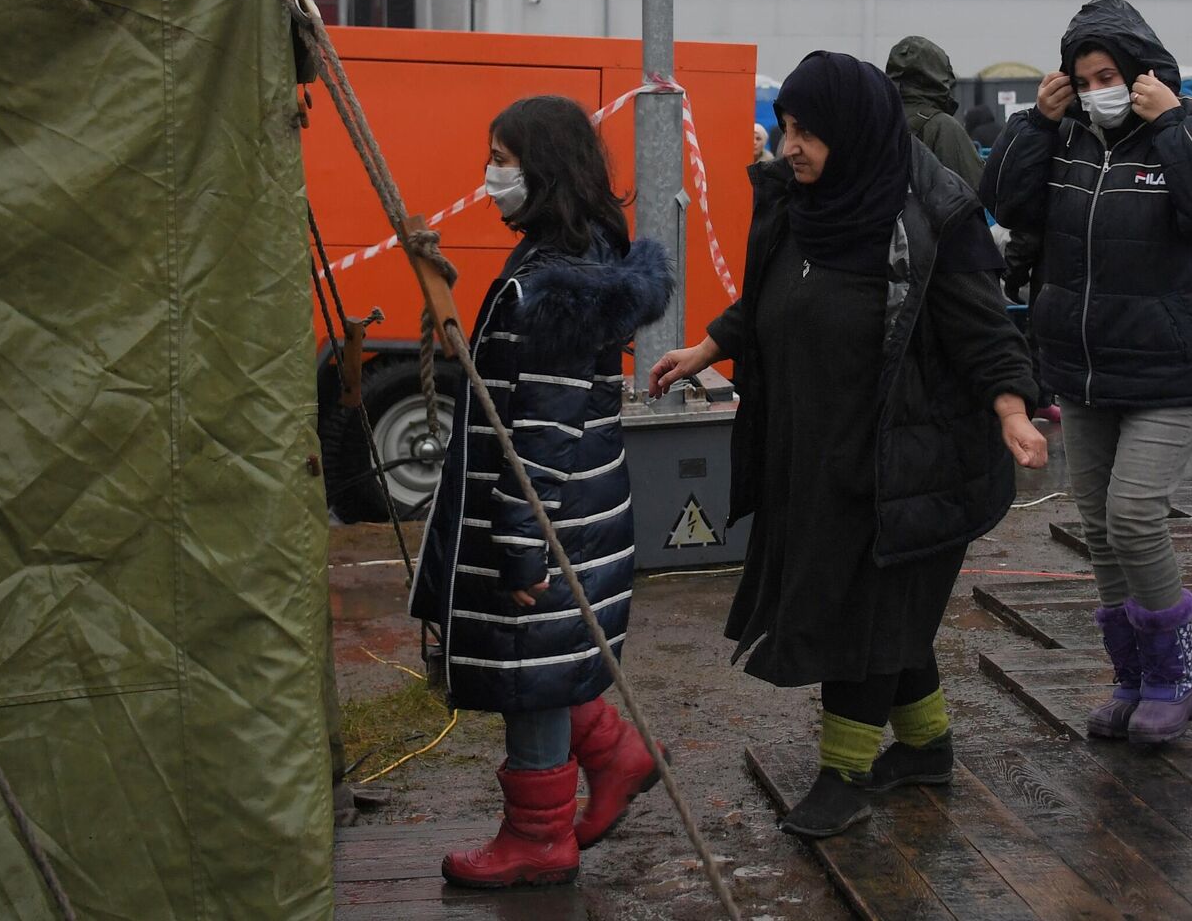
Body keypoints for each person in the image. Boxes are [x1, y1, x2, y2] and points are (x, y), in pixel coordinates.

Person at [648, 51, 1047, 839]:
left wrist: (1013, 411)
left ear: (855, 132)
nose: (789, 145)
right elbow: (770, 294)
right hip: (815, 452)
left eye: (807, 132)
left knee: (858, 615)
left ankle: (843, 775)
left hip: (905, 458)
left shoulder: (933, 219)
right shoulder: (804, 205)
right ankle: (928, 748)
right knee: (884, 611)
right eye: (786, 127)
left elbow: (982, 332)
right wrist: (708, 347)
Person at [979, 0, 1192, 745]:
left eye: (1110, 73)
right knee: (1100, 527)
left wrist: (1171, 120)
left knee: (1136, 515)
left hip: (1169, 362)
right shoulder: (1065, 136)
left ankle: (1176, 675)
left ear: (1141, 72)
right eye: (1084, 75)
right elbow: (1005, 202)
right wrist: (1034, 124)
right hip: (1084, 361)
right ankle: (1131, 676)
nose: (1098, 86)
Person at [410, 95, 674, 889]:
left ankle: (537, 837)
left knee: (531, 666)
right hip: (578, 516)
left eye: (502, 160)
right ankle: (610, 751)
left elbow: (544, 438)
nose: (489, 176)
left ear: (543, 170)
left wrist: (525, 553)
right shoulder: (573, 259)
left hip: (549, 523)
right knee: (552, 657)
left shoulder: (551, 292)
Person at [886, 35, 983, 187]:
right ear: (940, 75)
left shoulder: (877, 121)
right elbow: (975, 186)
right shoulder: (942, 126)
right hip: (928, 210)